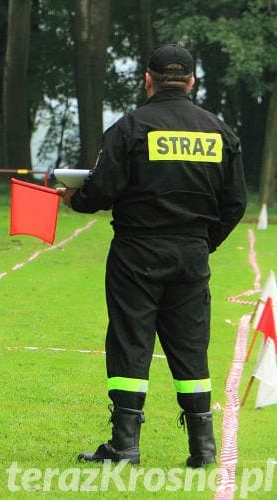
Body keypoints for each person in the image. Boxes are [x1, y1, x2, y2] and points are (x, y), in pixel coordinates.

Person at [57, 44, 247, 467]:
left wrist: (75, 200)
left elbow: (102, 189)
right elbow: (235, 203)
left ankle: (125, 445)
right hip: (192, 254)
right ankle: (203, 447)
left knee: (130, 341)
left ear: (148, 79)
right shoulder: (219, 131)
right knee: (191, 345)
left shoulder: (131, 127)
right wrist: (203, 241)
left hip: (137, 251)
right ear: (192, 81)